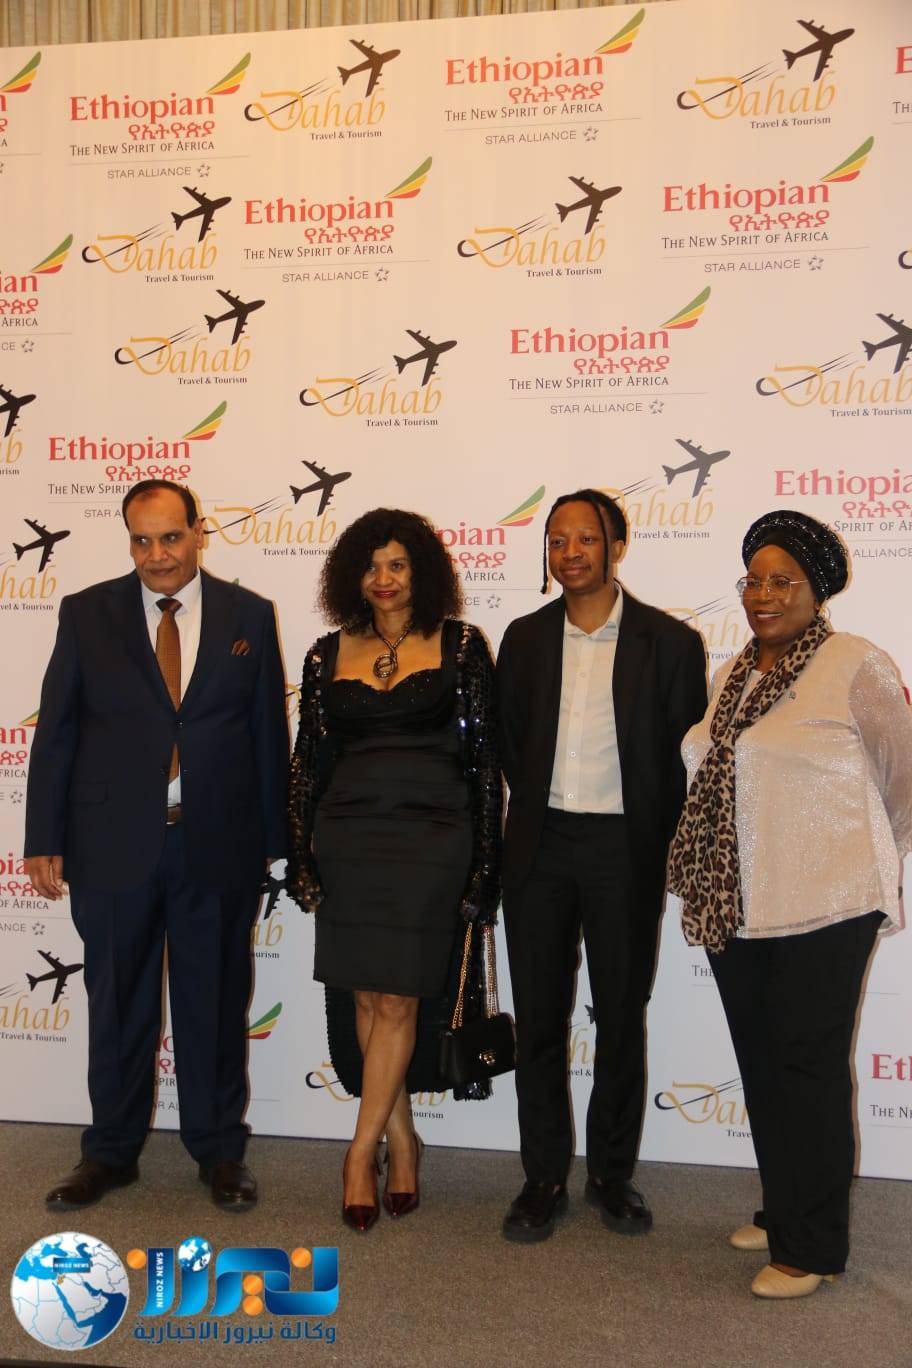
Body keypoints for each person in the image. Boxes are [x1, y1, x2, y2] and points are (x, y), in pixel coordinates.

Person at [25, 478, 288, 1211]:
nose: (157, 555)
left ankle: (219, 1152)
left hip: (218, 843)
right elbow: (57, 731)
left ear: (199, 532)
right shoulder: (87, 613)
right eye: (141, 541)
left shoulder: (249, 615)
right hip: (111, 846)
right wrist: (44, 836)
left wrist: (275, 841)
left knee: (215, 1002)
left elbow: (267, 731)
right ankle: (108, 1153)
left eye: (170, 537)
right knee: (117, 1005)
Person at [669, 509, 912, 1299]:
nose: (763, 595)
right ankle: (783, 1211)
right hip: (737, 902)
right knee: (764, 1063)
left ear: (817, 590)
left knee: (807, 1068)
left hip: (828, 903)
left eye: (783, 581)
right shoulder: (733, 675)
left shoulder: (855, 664)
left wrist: (860, 857)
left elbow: (903, 778)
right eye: (754, 580)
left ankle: (812, 1247)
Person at [496, 489, 707, 1242]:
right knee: (539, 1018)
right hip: (541, 847)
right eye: (557, 540)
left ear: (616, 545)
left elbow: (683, 758)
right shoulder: (523, 639)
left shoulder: (671, 643)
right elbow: (509, 743)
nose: (571, 553)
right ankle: (543, 1177)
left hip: (625, 851)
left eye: (586, 538)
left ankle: (612, 1176)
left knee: (620, 1016)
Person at [286, 508, 501, 1232]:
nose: (384, 579)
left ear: (423, 573)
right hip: (347, 837)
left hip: (433, 838)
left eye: (399, 564)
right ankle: (402, 1140)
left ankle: (357, 1155)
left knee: (400, 1000)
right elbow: (307, 763)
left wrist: (486, 866)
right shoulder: (324, 654)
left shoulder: (462, 645)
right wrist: (300, 853)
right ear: (352, 576)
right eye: (372, 566)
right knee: (367, 996)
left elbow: (485, 766)